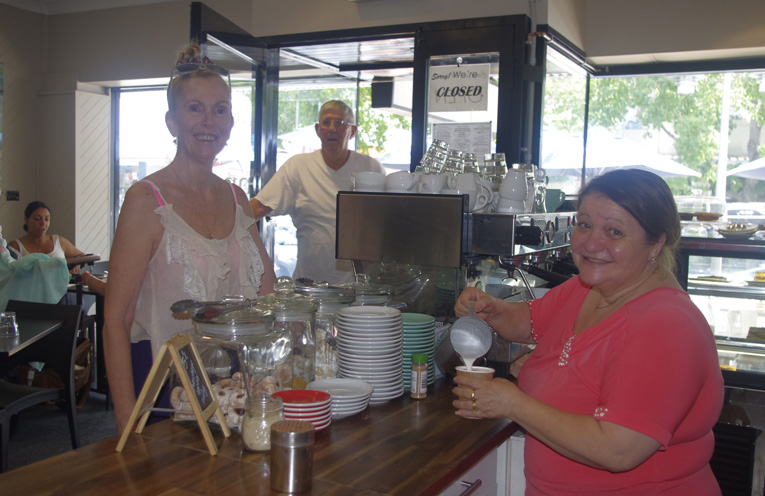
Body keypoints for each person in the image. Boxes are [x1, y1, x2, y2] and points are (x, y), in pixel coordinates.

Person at [452, 169, 723, 495]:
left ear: (657, 243)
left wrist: (514, 404)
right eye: (584, 225)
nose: (593, 242)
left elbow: (618, 448)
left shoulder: (666, 326)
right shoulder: (590, 287)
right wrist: (493, 310)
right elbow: (533, 322)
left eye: (615, 231)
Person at [104, 45, 277, 434]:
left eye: (220, 109)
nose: (209, 120)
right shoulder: (146, 201)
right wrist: (127, 419)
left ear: (231, 121)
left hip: (237, 387)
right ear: (172, 121)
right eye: (195, 107)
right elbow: (116, 319)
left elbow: (267, 294)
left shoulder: (236, 198)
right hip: (167, 391)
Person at [250, 100, 386, 283]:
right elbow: (256, 209)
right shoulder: (298, 166)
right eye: (326, 122)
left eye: (340, 123)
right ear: (317, 129)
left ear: (352, 131)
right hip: (309, 286)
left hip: (359, 286)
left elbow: (385, 224)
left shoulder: (370, 168)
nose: (332, 128)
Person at [8, 201, 86, 264]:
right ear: (26, 220)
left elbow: (82, 256)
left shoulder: (58, 241)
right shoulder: (15, 246)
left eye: (46, 219)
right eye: (37, 219)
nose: (43, 223)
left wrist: (77, 264)